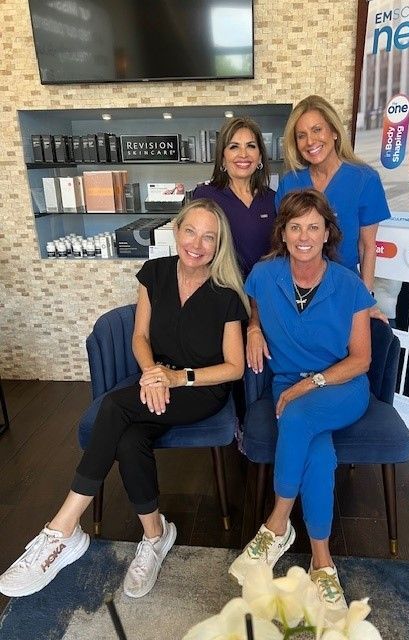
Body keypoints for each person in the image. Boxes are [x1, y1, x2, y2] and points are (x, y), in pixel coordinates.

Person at [0, 199, 249, 600]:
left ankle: (62, 529)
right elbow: (139, 337)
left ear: (219, 244)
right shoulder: (154, 273)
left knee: (115, 406)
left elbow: (234, 367)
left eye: (209, 237)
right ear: (176, 230)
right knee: (130, 438)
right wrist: (153, 373)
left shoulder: (226, 294)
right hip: (157, 378)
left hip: (200, 389)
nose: (197, 244)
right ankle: (156, 535)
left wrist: (176, 377)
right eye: (190, 231)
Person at [228, 189, 375, 610]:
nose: (304, 235)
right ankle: (322, 561)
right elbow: (254, 307)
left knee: (295, 417)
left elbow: (362, 359)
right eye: (296, 227)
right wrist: (254, 327)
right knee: (321, 455)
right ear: (284, 233)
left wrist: (309, 386)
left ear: (327, 231)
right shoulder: (264, 273)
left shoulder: (348, 284)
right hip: (288, 381)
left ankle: (276, 526)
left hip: (341, 385)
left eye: (314, 226)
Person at [275, 95, 390, 302]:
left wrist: (365, 300)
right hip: (296, 290)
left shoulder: (365, 179)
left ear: (334, 132)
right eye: (301, 135)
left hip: (344, 291)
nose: (310, 141)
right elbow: (283, 244)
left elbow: (367, 246)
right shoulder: (289, 182)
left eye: (317, 130)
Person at [193, 116, 276, 276]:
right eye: (234, 147)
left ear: (259, 157)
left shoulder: (272, 199)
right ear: (223, 157)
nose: (243, 154)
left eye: (251, 146)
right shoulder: (205, 196)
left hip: (263, 292)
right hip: (221, 293)